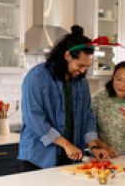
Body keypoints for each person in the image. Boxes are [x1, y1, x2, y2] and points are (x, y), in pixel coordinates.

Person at [18, 25, 108, 171]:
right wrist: (65, 144)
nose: (83, 70)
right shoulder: (36, 77)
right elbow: (34, 118)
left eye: (87, 66)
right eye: (80, 65)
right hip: (38, 158)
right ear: (67, 56)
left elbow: (87, 116)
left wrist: (94, 147)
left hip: (70, 157)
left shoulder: (81, 82)